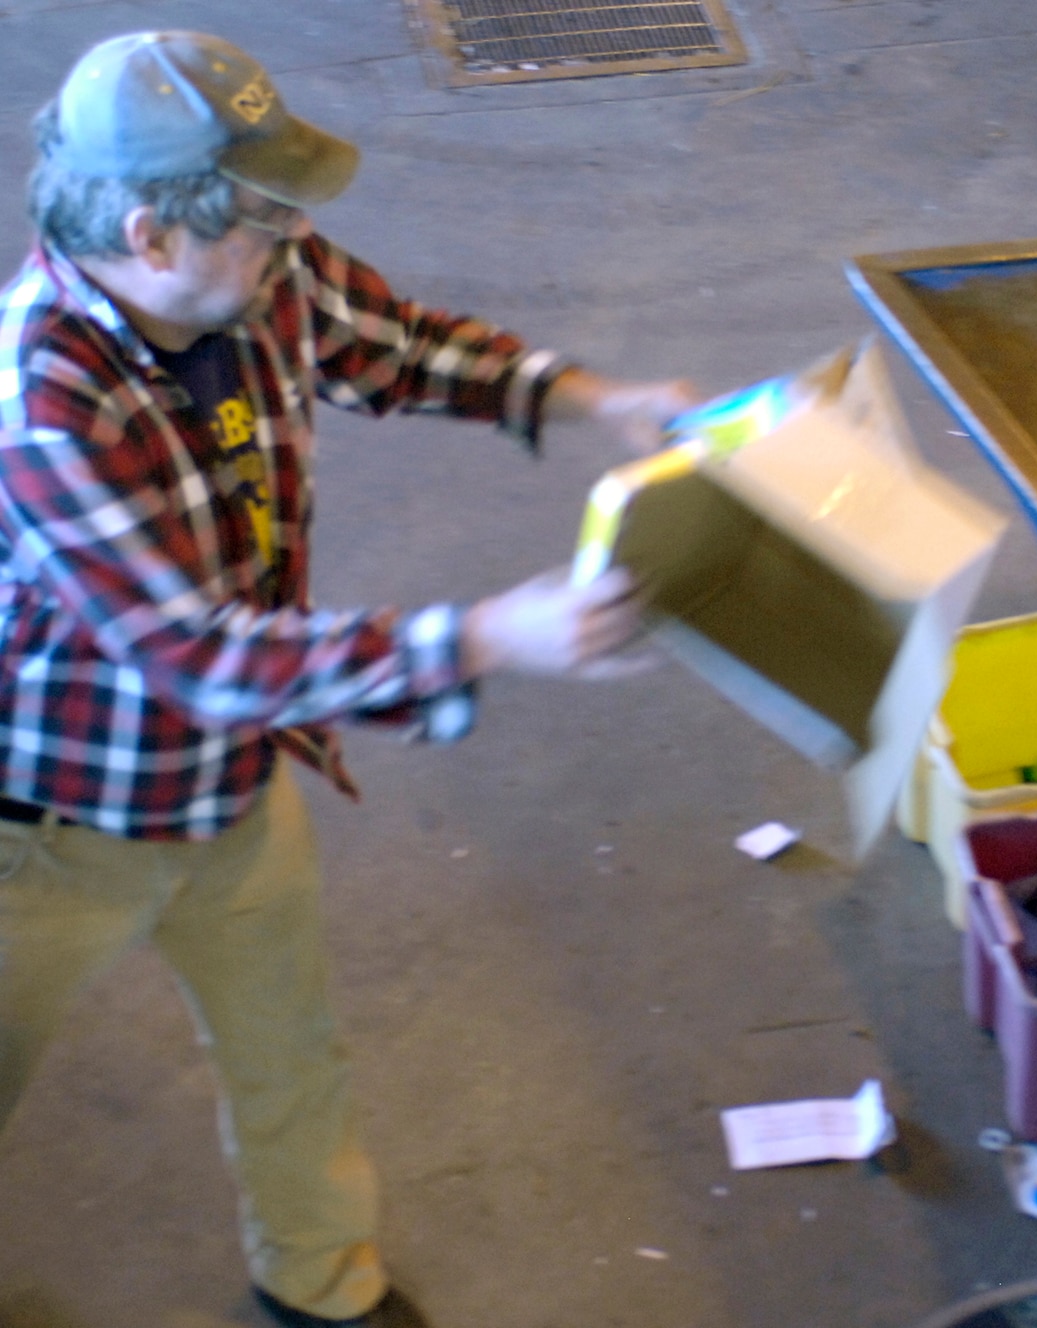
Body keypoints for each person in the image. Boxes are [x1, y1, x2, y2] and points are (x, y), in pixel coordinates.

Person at [0, 30, 699, 1328]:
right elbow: (201, 655)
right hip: (52, 831)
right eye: (266, 228)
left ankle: (320, 1289)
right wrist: (488, 636)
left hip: (232, 781)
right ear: (152, 237)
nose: (293, 250)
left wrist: (592, 399)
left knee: (291, 1060)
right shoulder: (42, 408)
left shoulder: (254, 272)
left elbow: (394, 343)